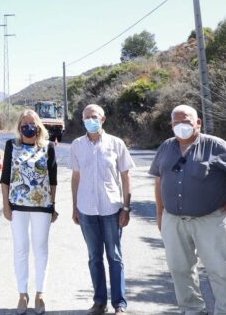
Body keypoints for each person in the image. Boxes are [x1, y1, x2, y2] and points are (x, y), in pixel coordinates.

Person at [148, 104, 226, 315]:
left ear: (198, 123)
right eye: (176, 122)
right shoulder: (166, 146)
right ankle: (192, 310)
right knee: (179, 270)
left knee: (223, 271)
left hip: (210, 220)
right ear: (171, 125)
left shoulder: (215, 145)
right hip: (173, 220)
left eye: (186, 121)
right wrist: (160, 213)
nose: (181, 126)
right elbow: (159, 180)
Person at [70, 104, 135, 314]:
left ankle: (119, 304)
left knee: (115, 257)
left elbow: (126, 176)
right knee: (94, 257)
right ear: (83, 120)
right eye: (87, 117)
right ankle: (99, 302)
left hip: (112, 209)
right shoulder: (77, 145)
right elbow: (76, 177)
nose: (91, 120)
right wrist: (74, 207)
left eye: (94, 116)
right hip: (87, 210)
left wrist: (126, 207)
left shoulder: (116, 144)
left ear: (103, 119)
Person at [1, 110, 59, 315]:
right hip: (17, 207)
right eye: (24, 123)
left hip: (42, 207)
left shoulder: (48, 147)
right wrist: (6, 205)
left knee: (41, 250)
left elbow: (53, 180)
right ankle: (22, 294)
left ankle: (40, 294)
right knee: (20, 249)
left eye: (32, 123)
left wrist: (52, 206)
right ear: (19, 127)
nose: (28, 126)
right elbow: (5, 179)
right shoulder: (11, 146)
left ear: (39, 126)